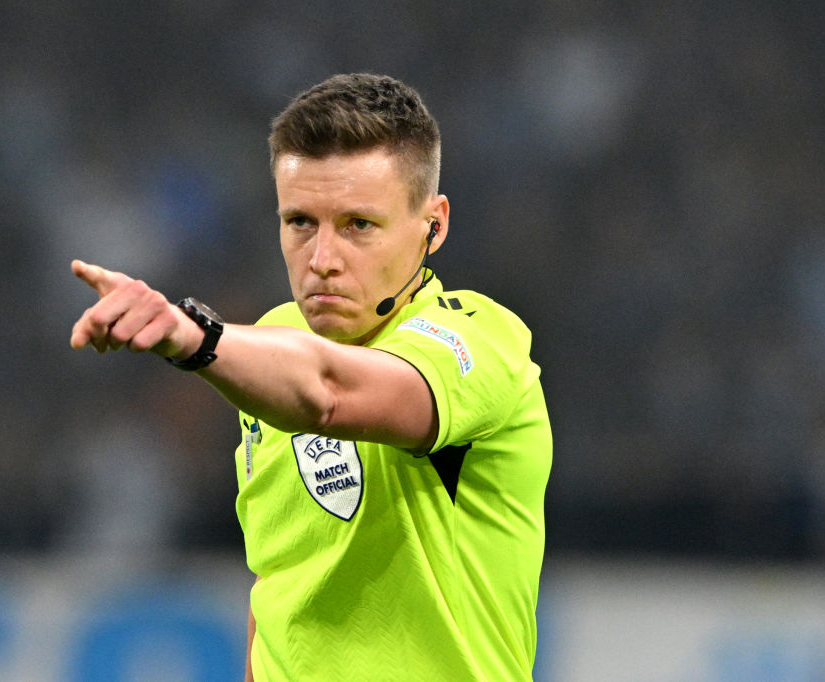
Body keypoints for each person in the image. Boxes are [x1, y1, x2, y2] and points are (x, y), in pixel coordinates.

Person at [70, 73, 552, 681]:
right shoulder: (268, 346)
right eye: (300, 222)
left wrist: (194, 337)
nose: (323, 259)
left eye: (358, 225)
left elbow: (329, 393)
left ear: (434, 225)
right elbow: (283, 577)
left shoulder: (482, 339)